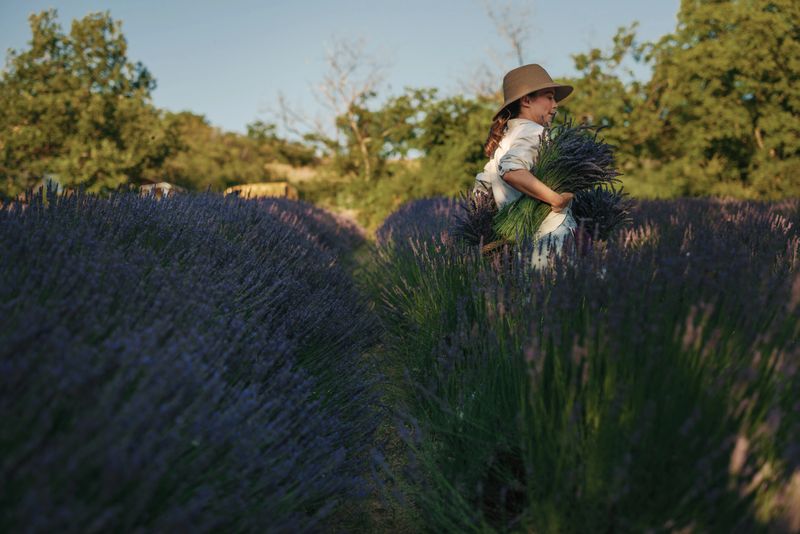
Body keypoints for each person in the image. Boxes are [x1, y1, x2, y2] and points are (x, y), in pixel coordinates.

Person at [474, 63, 577, 267]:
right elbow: (512, 171)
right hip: (551, 236)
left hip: (524, 243)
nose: (555, 104)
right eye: (549, 97)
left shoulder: (503, 141)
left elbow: (479, 192)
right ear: (527, 100)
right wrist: (555, 199)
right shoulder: (532, 131)